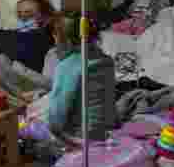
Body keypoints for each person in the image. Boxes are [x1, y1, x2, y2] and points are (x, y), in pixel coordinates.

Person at [25, 12, 116, 149]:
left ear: (65, 41)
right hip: (104, 133)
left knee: (23, 126)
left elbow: (55, 120)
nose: (54, 45)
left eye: (55, 39)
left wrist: (43, 127)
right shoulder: (106, 61)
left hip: (76, 139)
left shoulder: (67, 66)